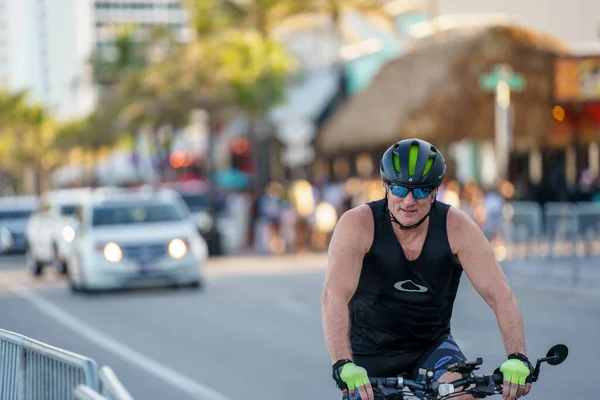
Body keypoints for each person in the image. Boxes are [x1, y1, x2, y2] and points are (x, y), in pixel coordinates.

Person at [321, 139, 533, 400]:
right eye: (399, 189)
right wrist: (343, 363)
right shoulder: (358, 225)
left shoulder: (456, 227)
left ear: (435, 191)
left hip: (431, 348)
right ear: (385, 187)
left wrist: (517, 356)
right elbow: (333, 296)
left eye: (421, 191)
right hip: (369, 355)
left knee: (463, 394)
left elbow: (502, 296)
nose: (409, 201)